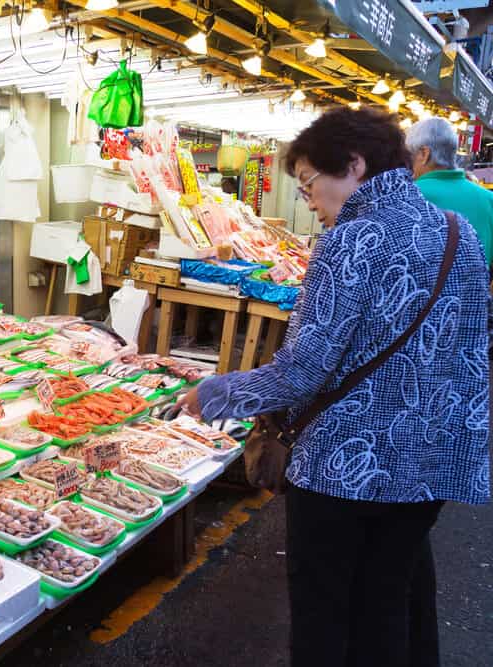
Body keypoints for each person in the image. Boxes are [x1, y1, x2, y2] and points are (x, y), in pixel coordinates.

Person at [177, 108, 490, 667]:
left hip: (346, 467)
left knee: (324, 608)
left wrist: (217, 394)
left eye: (309, 186)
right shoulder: (456, 232)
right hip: (427, 461)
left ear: (353, 165)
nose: (309, 203)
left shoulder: (350, 241)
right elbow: (471, 350)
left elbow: (304, 370)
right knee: (387, 603)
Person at [407, 116, 493, 266]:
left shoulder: (408, 195)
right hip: (475, 288)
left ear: (424, 154)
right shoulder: (489, 200)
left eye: (409, 156)